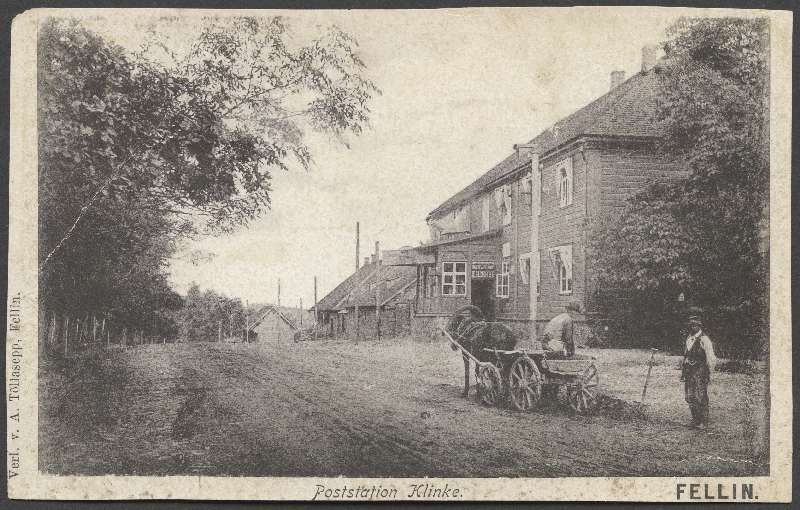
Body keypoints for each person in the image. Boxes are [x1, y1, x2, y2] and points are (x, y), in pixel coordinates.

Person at [681, 314, 716, 429]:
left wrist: (709, 372)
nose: (692, 327)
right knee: (690, 395)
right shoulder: (688, 339)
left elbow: (710, 357)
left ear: (699, 326)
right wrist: (684, 368)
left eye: (694, 325)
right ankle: (695, 419)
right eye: (690, 325)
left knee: (701, 395)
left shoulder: (704, 339)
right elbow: (686, 355)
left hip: (700, 371)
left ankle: (703, 422)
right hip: (689, 371)